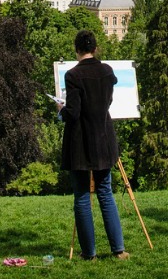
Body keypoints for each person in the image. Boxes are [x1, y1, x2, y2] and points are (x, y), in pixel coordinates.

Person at [56, 30, 129, 260]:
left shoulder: (73, 75)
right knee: (105, 192)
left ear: (77, 50)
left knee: (81, 196)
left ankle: (89, 253)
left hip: (80, 141)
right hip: (104, 138)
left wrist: (61, 111)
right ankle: (118, 249)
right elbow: (106, 102)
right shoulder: (107, 71)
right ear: (95, 49)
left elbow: (74, 113)